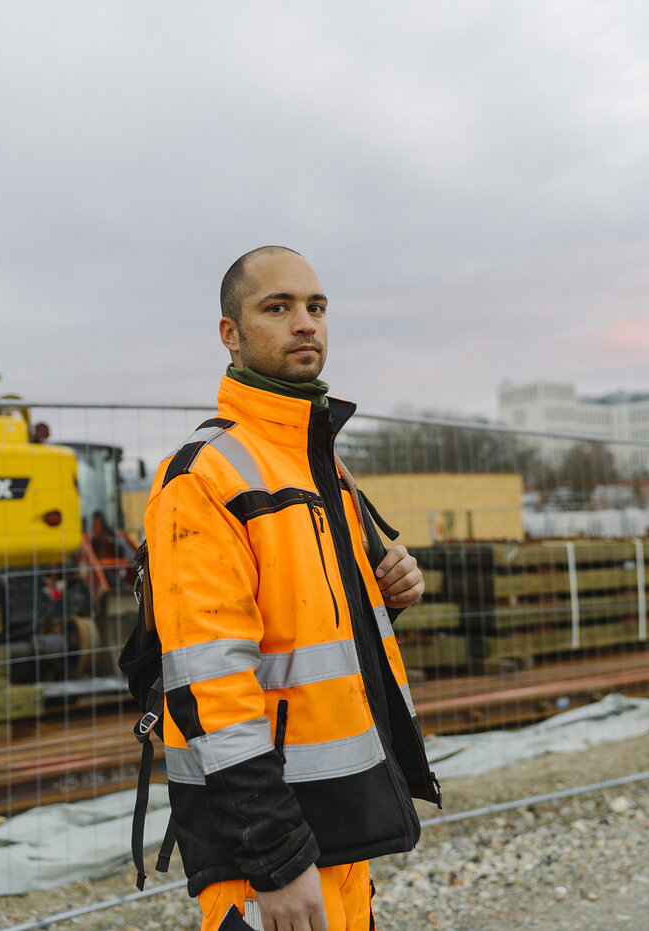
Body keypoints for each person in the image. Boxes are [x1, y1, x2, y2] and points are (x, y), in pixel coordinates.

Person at [144, 246, 441, 930]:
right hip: (273, 845)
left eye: (315, 306)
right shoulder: (204, 475)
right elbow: (209, 684)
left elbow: (315, 632)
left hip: (342, 820)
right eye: (276, 308)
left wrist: (388, 596)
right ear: (231, 332)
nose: (304, 322)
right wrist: (274, 854)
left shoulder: (319, 465)